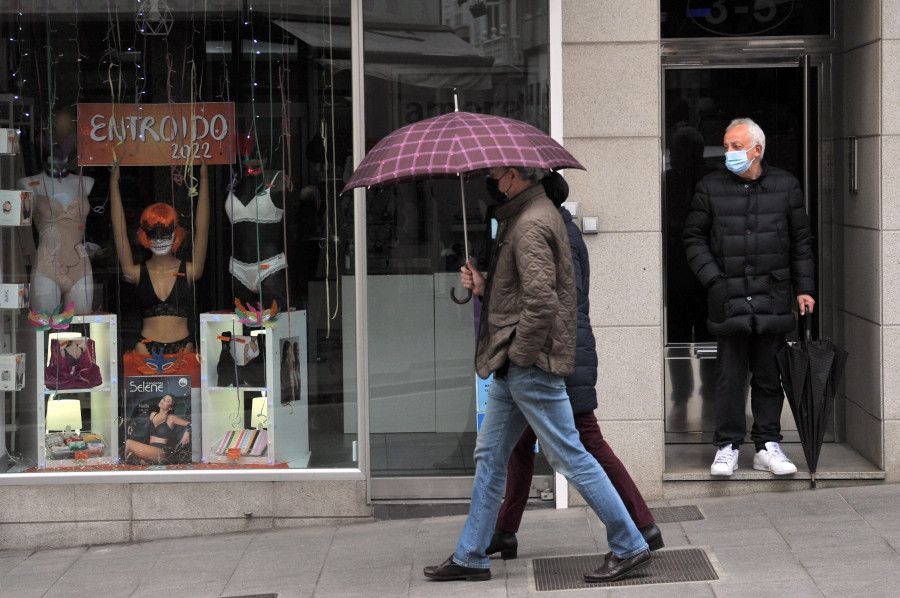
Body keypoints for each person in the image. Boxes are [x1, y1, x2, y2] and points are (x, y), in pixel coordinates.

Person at [423, 166, 651, 584]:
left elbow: (543, 302)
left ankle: (629, 544)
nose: (492, 177)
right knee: (491, 456)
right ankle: (471, 554)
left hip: (529, 365)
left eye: (497, 172)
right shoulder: (525, 215)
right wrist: (484, 284)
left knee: (571, 456)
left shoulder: (530, 223)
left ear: (515, 175)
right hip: (515, 366)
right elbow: (523, 291)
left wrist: (521, 355)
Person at [485, 172, 662, 562]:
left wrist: (522, 354)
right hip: (560, 354)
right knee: (520, 446)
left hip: (560, 358)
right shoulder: (556, 228)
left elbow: (556, 302)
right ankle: (504, 529)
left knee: (586, 444)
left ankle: (641, 524)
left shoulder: (552, 232)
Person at [682, 117, 815, 477]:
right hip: (728, 296)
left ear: (757, 150)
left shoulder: (786, 186)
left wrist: (804, 288)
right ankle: (727, 446)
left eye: (736, 147)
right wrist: (714, 280)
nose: (729, 153)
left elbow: (801, 242)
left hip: (773, 294)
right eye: (726, 146)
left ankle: (767, 446)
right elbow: (693, 237)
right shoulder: (710, 187)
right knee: (729, 376)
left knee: (770, 376)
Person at [110, 162, 209, 355]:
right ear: (144, 236)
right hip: (145, 346)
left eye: (166, 232)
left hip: (184, 347)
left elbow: (203, 228)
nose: (160, 239)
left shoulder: (191, 270)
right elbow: (119, 233)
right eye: (153, 233)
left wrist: (204, 178)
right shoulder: (135, 272)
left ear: (176, 233)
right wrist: (113, 184)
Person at [17, 144, 95, 314]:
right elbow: (19, 224)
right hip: (47, 265)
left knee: (82, 325)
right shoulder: (28, 183)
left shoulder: (85, 182)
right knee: (44, 326)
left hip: (79, 265)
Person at [225, 133, 292, 307]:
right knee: (241, 329)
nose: (250, 158)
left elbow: (294, 223)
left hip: (270, 267)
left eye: (256, 153)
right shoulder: (234, 180)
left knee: (275, 328)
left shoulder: (277, 179)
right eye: (245, 153)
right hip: (237, 269)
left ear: (265, 154)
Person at [125, 394, 191, 464]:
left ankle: (116, 465)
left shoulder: (171, 418)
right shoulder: (153, 414)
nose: (163, 401)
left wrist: (187, 432)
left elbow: (190, 424)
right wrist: (132, 425)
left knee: (129, 443)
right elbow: (140, 421)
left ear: (170, 408)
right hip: (150, 450)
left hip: (161, 452)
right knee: (130, 456)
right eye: (163, 399)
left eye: (167, 401)